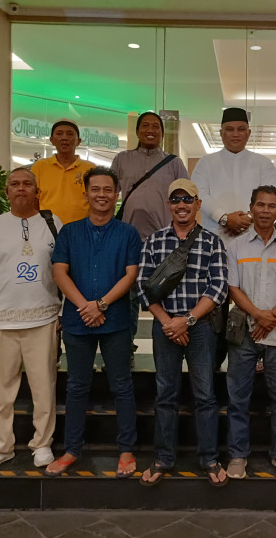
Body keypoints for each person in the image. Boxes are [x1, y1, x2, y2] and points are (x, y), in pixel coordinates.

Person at [44, 167, 141, 479]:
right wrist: (84, 305)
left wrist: (101, 304)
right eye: (95, 189)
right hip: (77, 320)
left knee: (122, 385)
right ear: (85, 194)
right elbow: (59, 272)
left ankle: (126, 450)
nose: (102, 195)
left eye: (108, 190)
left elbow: (131, 275)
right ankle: (72, 449)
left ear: (117, 195)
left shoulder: (128, 233)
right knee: (76, 386)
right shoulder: (69, 233)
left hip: (116, 320)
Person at [136, 179, 229, 487]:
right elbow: (143, 286)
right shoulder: (154, 241)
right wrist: (169, 323)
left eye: (187, 199)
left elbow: (218, 287)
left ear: (198, 204)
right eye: (175, 199)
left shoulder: (212, 242)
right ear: (169, 205)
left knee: (205, 395)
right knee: (165, 395)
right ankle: (163, 458)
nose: (181, 205)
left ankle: (209, 458)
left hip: (200, 328)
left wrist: (186, 320)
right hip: (166, 327)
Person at [0, 168, 62, 474]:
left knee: (44, 387)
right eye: (15, 184)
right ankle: (1, 447)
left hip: (44, 318)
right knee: (1, 391)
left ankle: (42, 443)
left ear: (37, 191)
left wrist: (63, 312)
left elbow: (64, 272)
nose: (21, 188)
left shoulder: (53, 224)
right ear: (6, 192)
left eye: (27, 184)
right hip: (2, 321)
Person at [226, 186, 276, 480]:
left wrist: (273, 317)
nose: (266, 210)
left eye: (271, 206)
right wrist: (257, 315)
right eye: (260, 205)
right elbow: (233, 288)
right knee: (237, 397)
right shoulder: (236, 246)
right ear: (251, 208)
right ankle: (237, 455)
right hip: (244, 332)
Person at [110, 111, 190, 368]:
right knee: (129, 297)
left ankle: (172, 348)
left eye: (156, 126)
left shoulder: (174, 163)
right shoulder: (122, 159)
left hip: (163, 241)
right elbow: (110, 193)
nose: (150, 130)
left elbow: (186, 199)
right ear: (137, 131)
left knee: (166, 294)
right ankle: (126, 347)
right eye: (145, 125)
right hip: (128, 238)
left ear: (162, 133)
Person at [191, 107, 276, 245]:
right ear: (221, 133)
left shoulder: (263, 163)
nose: (235, 134)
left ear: (249, 133)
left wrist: (249, 217)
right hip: (214, 237)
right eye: (229, 129)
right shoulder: (206, 162)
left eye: (241, 129)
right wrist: (224, 218)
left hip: (254, 237)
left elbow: (274, 196)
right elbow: (199, 195)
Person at [30, 119, 96, 224]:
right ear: (52, 140)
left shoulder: (90, 168)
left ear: (78, 141)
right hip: (48, 227)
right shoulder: (40, 166)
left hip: (82, 228)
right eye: (59, 134)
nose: (64, 138)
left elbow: (95, 200)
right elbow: (33, 201)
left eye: (70, 134)